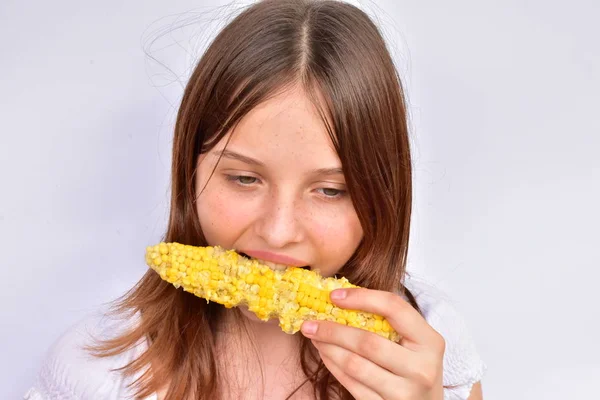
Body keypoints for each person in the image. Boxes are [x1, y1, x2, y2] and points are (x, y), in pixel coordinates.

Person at [25, 0, 486, 399]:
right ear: (190, 170)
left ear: (384, 192)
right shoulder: (99, 371)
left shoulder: (432, 349)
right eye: (245, 179)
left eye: (330, 190)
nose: (278, 231)